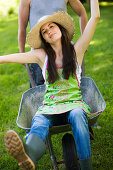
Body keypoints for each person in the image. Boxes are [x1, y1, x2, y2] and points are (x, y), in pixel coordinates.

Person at [0, 0, 100, 169]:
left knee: (76, 114)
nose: (49, 32)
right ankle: (29, 153)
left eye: (51, 27)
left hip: (74, 104)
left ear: (60, 28)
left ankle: (86, 166)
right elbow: (10, 57)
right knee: (39, 120)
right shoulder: (41, 55)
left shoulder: (77, 50)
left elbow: (95, 17)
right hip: (50, 107)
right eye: (45, 32)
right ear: (44, 38)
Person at [18, 0, 88, 87]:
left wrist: (85, 41)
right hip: (41, 55)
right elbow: (22, 27)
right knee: (40, 91)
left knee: (73, 86)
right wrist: (22, 52)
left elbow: (82, 13)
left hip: (65, 51)